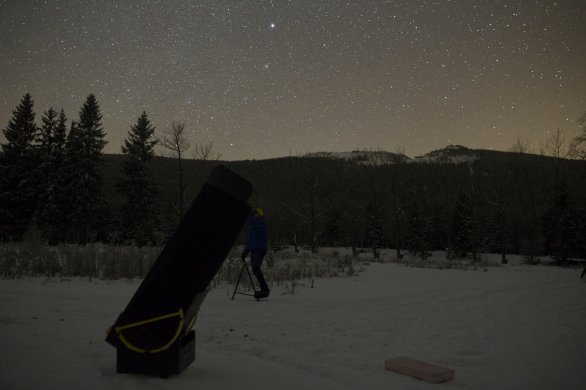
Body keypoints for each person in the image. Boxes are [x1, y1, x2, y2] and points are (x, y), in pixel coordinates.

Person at [241, 208, 270, 299]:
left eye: (256, 214)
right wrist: (245, 252)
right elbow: (251, 242)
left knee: (256, 268)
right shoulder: (254, 228)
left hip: (259, 249)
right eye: (254, 214)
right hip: (255, 249)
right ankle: (264, 290)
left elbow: (250, 223)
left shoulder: (261, 222)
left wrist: (249, 215)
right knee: (255, 269)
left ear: (260, 215)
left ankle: (265, 291)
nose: (254, 215)